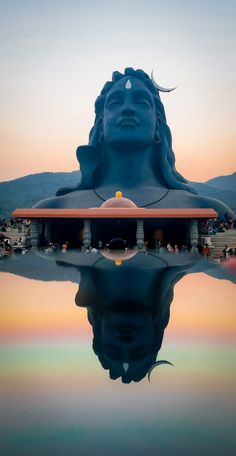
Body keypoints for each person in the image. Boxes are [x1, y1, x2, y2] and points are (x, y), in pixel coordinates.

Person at [33, 68, 235, 220]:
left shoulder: (207, 210)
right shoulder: (52, 210)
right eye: (115, 103)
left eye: (141, 103)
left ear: (158, 128)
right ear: (101, 127)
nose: (127, 109)